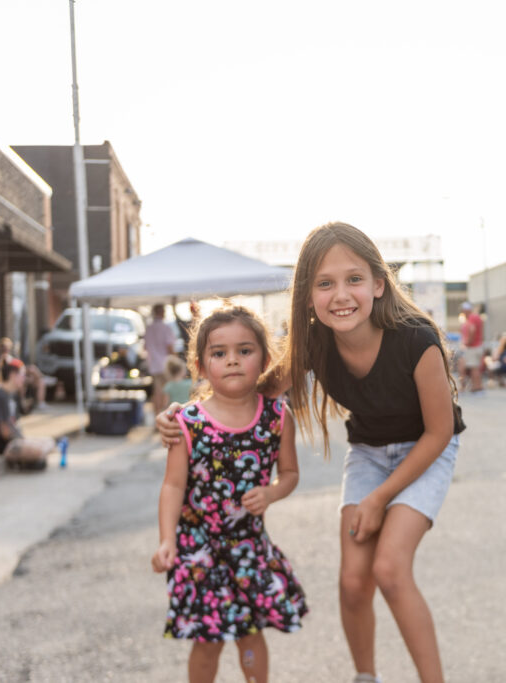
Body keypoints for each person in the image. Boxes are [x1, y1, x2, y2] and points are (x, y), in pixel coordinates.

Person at [157, 222, 465, 683]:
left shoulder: (416, 340)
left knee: (389, 569)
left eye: (354, 279)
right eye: (324, 284)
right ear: (306, 297)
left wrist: (378, 499)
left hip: (427, 449)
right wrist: (182, 413)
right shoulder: (315, 343)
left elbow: (439, 433)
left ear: (379, 284)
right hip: (369, 453)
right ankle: (366, 677)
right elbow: (247, 390)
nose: (340, 295)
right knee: (353, 581)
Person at [151, 304, 307, 683]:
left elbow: (289, 475)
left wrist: (270, 494)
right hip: (198, 550)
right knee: (207, 641)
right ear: (201, 366)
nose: (232, 360)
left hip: (248, 547)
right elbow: (173, 485)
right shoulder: (187, 423)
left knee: (250, 635)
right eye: (219, 353)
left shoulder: (277, 417)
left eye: (244, 350)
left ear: (265, 360)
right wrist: (167, 539)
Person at [0, 357, 56, 460]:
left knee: (48, 442)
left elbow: (24, 411)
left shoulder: (12, 394)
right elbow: (4, 431)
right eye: (23, 375)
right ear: (13, 375)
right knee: (40, 450)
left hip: (5, 441)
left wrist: (29, 390)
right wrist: (23, 442)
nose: (25, 379)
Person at [0, 337, 48, 412]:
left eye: (7, 347)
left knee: (39, 380)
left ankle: (40, 402)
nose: (6, 349)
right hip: (11, 379)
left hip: (17, 376)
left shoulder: (8, 358)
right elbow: (8, 372)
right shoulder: (4, 359)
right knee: (33, 372)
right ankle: (24, 402)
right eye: (4, 347)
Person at [145, 304, 177, 415]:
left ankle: (157, 414)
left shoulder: (149, 328)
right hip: (166, 364)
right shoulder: (165, 328)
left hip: (153, 364)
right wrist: (176, 360)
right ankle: (165, 414)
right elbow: (170, 347)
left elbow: (145, 347)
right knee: (166, 391)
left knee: (157, 391)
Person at [459, 301, 484, 394]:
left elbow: (472, 330)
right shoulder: (474, 317)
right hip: (475, 346)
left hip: (473, 347)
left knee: (474, 368)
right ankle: (475, 387)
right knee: (472, 367)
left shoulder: (472, 317)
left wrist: (468, 342)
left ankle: (477, 387)